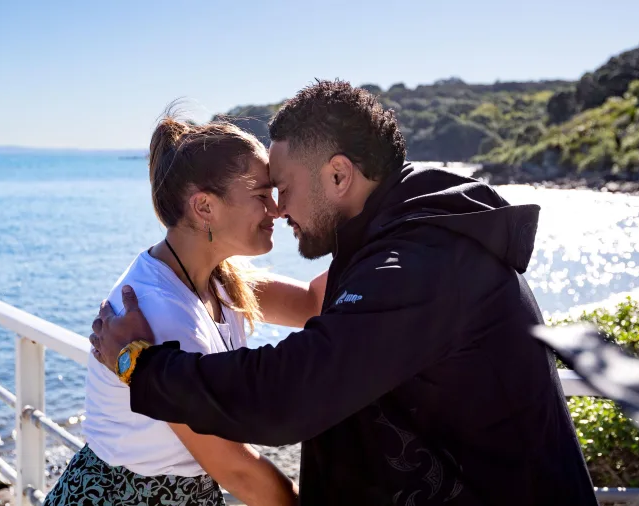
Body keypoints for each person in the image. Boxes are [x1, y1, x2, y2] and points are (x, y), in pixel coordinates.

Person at [90, 80, 598, 506]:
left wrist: (144, 366)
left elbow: (290, 391)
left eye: (281, 190)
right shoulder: (402, 238)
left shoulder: (417, 265)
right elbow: (328, 312)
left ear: (338, 174)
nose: (279, 210)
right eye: (264, 195)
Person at [45, 117, 329, 506]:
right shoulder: (162, 314)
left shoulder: (220, 279)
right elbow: (236, 470)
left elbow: (315, 303)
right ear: (204, 206)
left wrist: (370, 219)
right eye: (262, 195)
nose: (276, 209)